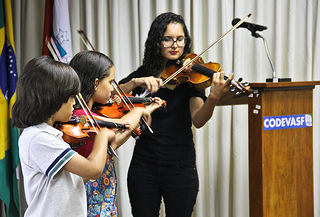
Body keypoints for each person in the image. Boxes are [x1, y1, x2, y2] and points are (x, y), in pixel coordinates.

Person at [119, 12, 233, 217]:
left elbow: (198, 120)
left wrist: (214, 97)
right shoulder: (145, 73)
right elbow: (114, 95)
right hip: (144, 164)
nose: (175, 45)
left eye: (180, 39)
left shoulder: (191, 76)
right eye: (168, 39)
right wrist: (136, 82)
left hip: (180, 164)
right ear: (157, 42)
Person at [12, 56, 115, 217]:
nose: (75, 103)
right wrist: (102, 136)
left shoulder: (51, 134)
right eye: (71, 97)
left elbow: (74, 182)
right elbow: (94, 170)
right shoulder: (38, 138)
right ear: (54, 97)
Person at [69, 50, 163, 217]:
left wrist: (143, 110)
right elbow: (115, 137)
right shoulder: (81, 118)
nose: (114, 88)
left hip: (102, 196)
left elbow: (116, 137)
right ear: (96, 83)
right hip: (89, 199)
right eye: (111, 82)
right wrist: (139, 112)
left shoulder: (92, 114)